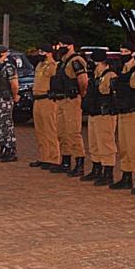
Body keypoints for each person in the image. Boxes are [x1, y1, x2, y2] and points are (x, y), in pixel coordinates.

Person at [108, 43, 135, 192]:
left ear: (133, 53)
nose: (123, 54)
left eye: (126, 51)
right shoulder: (123, 70)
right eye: (121, 51)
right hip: (123, 112)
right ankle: (126, 176)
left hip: (133, 113)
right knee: (124, 147)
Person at [50, 36, 88, 176]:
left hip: (72, 100)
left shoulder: (76, 60)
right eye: (59, 44)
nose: (60, 47)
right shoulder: (62, 62)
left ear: (71, 45)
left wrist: (81, 94)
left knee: (73, 132)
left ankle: (79, 163)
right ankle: (65, 161)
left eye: (63, 44)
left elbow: (83, 81)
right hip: (61, 100)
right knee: (62, 132)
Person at [82, 49, 117, 185]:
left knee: (106, 143)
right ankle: (96, 168)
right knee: (94, 143)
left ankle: (108, 172)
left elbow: (112, 96)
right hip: (94, 112)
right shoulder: (96, 74)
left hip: (105, 114)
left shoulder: (110, 75)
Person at [29, 44, 61, 169]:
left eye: (42, 52)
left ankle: (54, 158)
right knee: (40, 130)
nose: (39, 54)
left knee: (50, 129)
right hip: (37, 100)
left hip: (48, 100)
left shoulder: (54, 66)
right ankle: (43, 157)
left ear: (49, 53)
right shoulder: (39, 65)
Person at [0, 45, 19, 162]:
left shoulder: (9, 67)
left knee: (6, 125)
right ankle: (3, 148)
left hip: (5, 99)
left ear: (4, 53)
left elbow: (14, 84)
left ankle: (11, 150)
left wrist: (15, 96)